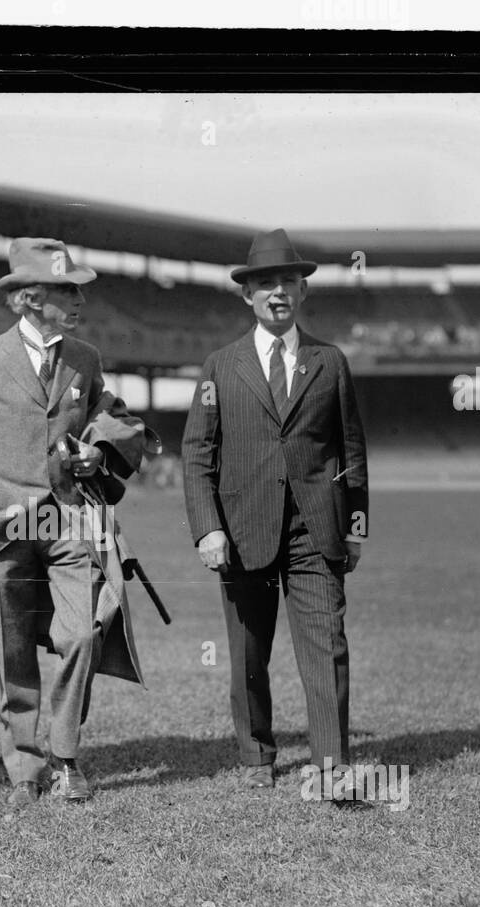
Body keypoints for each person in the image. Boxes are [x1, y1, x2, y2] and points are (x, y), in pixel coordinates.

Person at [0, 238, 147, 812]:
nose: (80, 299)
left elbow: (113, 417)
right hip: (3, 529)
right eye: (66, 290)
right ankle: (26, 768)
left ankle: (66, 757)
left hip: (68, 522)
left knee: (82, 634)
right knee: (14, 654)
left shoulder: (86, 358)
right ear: (30, 298)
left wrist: (99, 453)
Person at [182, 229, 369, 799]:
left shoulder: (329, 362)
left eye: (288, 281)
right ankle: (257, 753)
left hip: (317, 529)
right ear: (248, 296)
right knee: (248, 652)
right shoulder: (220, 367)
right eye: (266, 284)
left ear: (303, 291)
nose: (278, 292)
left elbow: (351, 452)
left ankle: (332, 766)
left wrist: (355, 529)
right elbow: (197, 453)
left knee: (327, 644)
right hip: (241, 532)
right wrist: (208, 528)